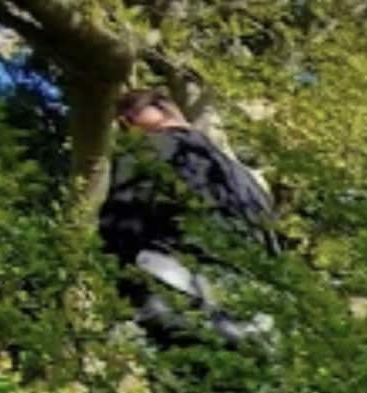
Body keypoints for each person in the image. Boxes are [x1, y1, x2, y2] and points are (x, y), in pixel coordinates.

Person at [97, 90, 278, 345]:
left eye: (129, 114)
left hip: (176, 291)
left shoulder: (150, 150)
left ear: (159, 110)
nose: (126, 126)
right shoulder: (246, 179)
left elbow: (119, 223)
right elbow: (272, 249)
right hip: (252, 314)